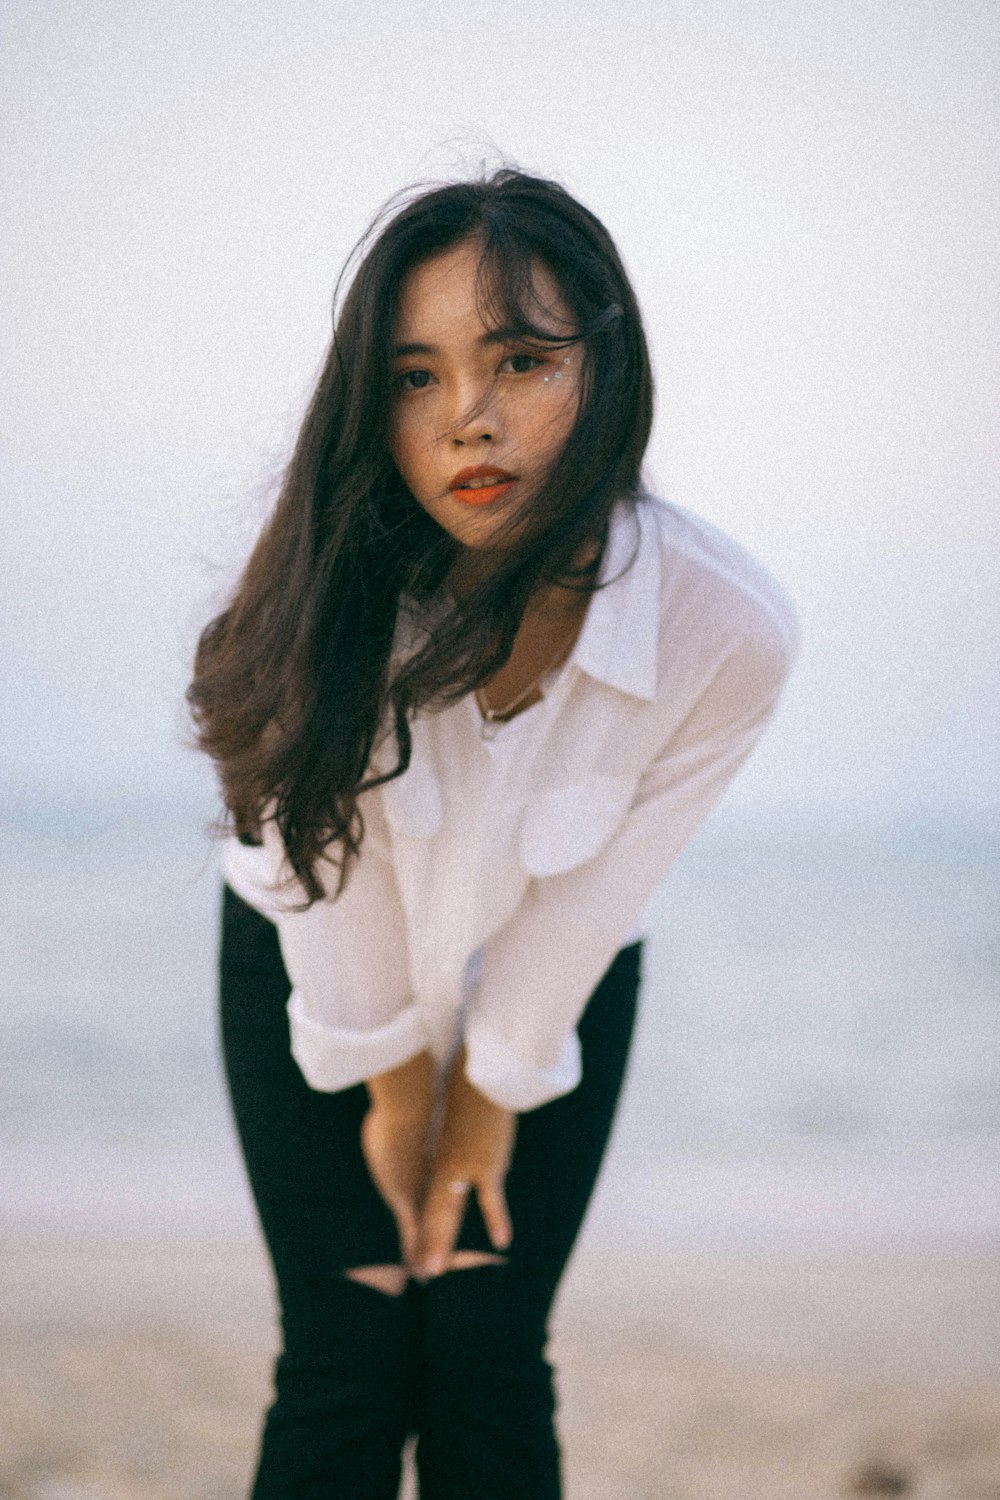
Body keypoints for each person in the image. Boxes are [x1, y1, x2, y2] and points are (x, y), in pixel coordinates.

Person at [187, 167, 798, 1500]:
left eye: (519, 358)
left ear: (606, 366)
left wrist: (491, 1100)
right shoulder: (315, 598)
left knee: (484, 1344)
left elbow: (598, 901)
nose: (469, 416)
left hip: (550, 986)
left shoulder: (725, 631)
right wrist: (403, 1093)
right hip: (309, 963)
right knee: (350, 1348)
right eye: (414, 377)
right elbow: (320, 879)